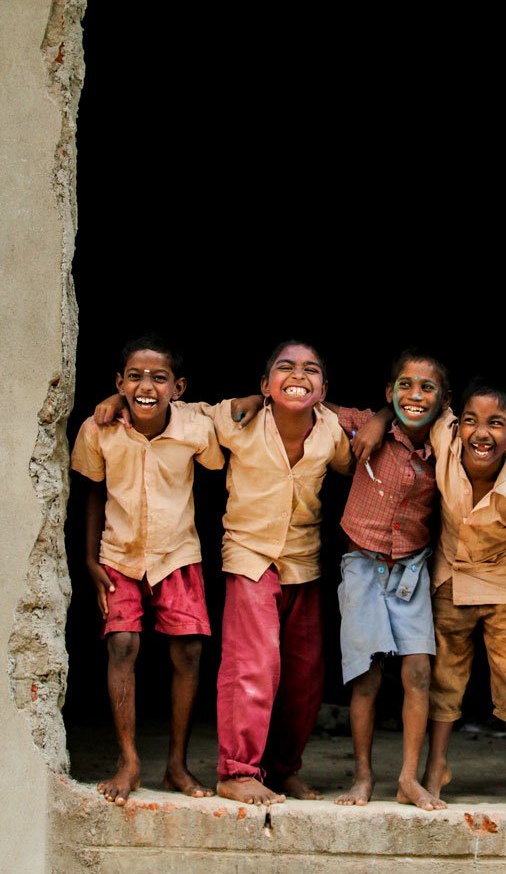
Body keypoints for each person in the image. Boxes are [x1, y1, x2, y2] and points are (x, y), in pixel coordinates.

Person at [95, 339, 353, 806]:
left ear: (324, 387)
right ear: (264, 385)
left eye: (310, 370)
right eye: (285, 368)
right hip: (250, 557)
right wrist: (118, 401)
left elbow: (364, 437)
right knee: (253, 666)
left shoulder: (331, 431)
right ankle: (237, 771)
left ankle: (283, 768)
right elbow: (174, 405)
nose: (298, 376)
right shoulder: (238, 421)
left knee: (305, 675)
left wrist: (363, 419)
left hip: (304, 560)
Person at [71, 333, 225, 805]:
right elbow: (93, 491)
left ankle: (176, 764)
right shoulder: (99, 429)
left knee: (189, 653)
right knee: (122, 644)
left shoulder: (195, 428)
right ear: (119, 383)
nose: (146, 386)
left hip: (177, 553)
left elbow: (222, 449)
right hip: (119, 554)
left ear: (177, 387)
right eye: (134, 377)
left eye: (159, 378)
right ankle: (129, 761)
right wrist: (91, 557)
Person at [329, 350, 451, 811]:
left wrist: (385, 415)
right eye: (404, 385)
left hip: (412, 569)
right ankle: (363, 776)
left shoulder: (447, 442)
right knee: (365, 675)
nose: (414, 395)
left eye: (427, 387)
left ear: (444, 399)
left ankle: (408, 779)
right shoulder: (367, 424)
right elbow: (309, 406)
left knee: (419, 670)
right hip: (362, 563)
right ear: (388, 392)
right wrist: (377, 418)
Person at [421, 378, 506, 808]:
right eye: (472, 422)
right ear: (457, 425)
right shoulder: (445, 444)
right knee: (445, 678)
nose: (482, 433)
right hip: (452, 578)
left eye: (496, 423)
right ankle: (436, 765)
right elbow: (414, 411)